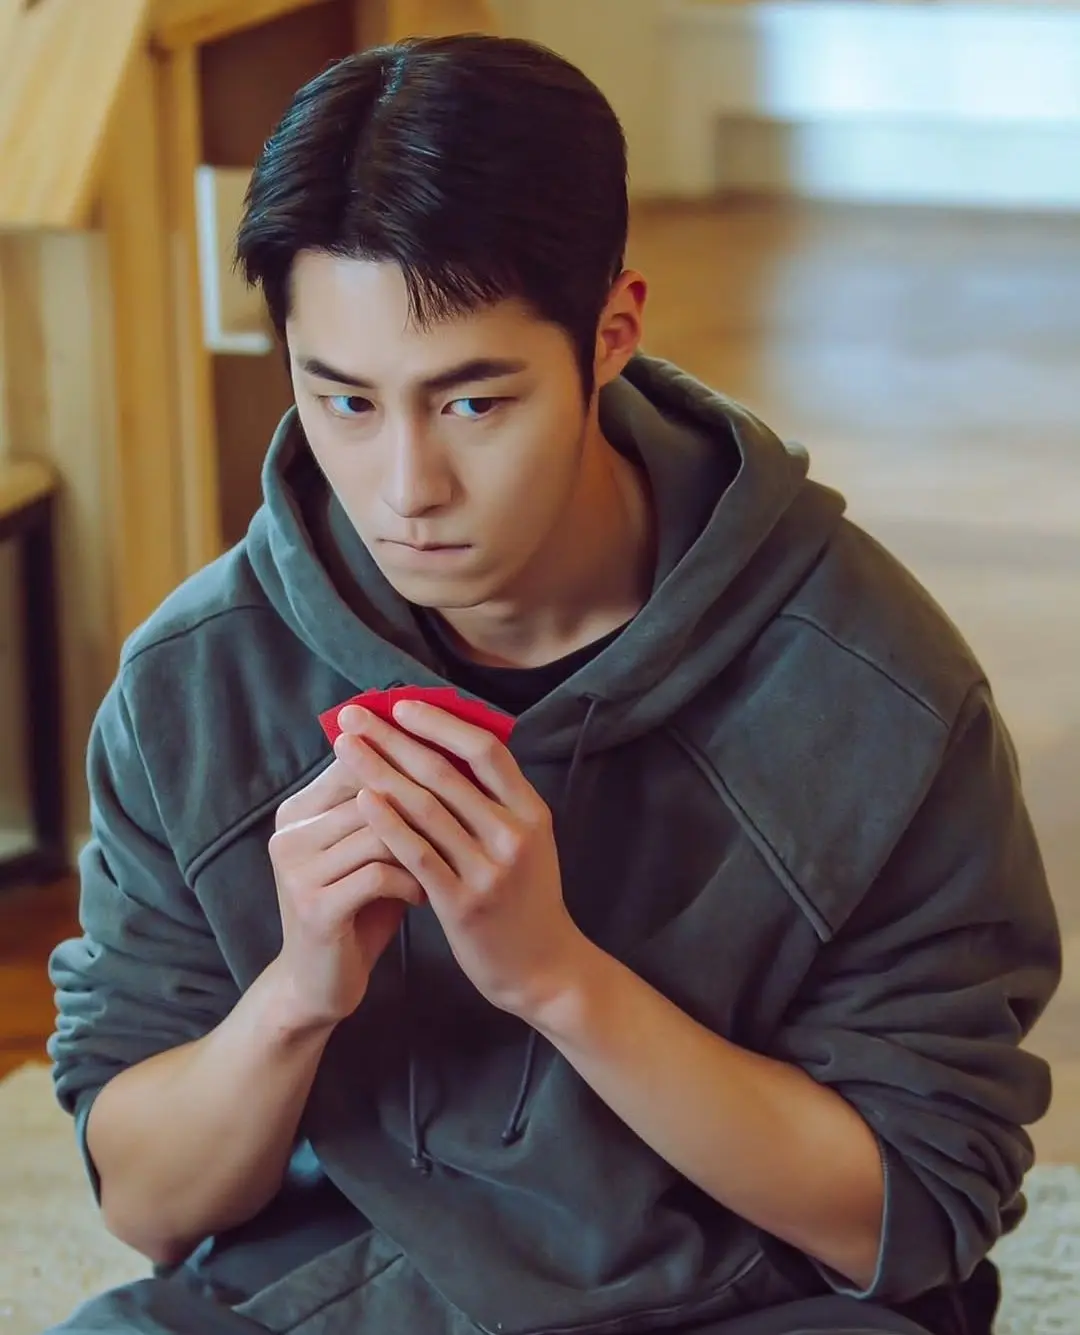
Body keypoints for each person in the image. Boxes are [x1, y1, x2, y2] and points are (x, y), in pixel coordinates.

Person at [46, 33, 1060, 1335]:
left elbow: (910, 1211)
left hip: (737, 1306)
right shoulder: (195, 683)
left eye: (473, 403)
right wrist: (298, 993)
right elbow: (147, 1203)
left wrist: (556, 977)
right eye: (343, 401)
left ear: (612, 332)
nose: (406, 489)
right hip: (332, 1295)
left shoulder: (873, 691)